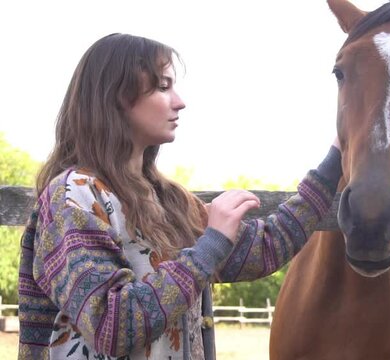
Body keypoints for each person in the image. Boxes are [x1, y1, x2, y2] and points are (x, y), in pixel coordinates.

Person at [18, 33, 341, 360]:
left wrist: (336, 162)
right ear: (115, 96)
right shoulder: (73, 196)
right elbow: (111, 326)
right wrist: (211, 244)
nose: (179, 101)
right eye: (162, 87)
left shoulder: (167, 199)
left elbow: (264, 248)